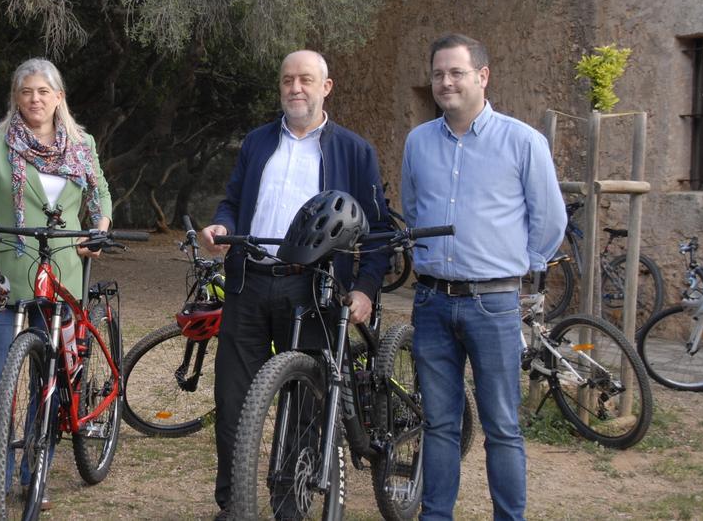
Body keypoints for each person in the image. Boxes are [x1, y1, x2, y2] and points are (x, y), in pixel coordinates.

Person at [200, 50, 391, 519]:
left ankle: (291, 502)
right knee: (232, 400)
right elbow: (231, 201)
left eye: (306, 79)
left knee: (307, 400)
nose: (295, 88)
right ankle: (233, 505)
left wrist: (365, 288)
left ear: (327, 87)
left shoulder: (354, 150)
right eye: (288, 80)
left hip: (315, 290)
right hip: (249, 283)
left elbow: (380, 230)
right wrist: (221, 228)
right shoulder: (257, 142)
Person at [401, 33, 565, 520]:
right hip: (431, 304)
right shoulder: (418, 142)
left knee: (502, 426)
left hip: (493, 304)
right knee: (439, 423)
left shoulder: (522, 141)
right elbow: (413, 210)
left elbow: (550, 220)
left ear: (482, 76)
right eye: (437, 74)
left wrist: (520, 266)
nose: (446, 82)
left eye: (456, 72)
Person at [0, 57, 112, 515]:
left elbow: (99, 194)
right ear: (15, 99)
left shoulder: (82, 144)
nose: (34, 100)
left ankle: (33, 472)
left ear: (59, 97)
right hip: (7, 276)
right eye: (26, 92)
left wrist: (98, 227)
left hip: (62, 276)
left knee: (50, 380)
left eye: (43, 91)